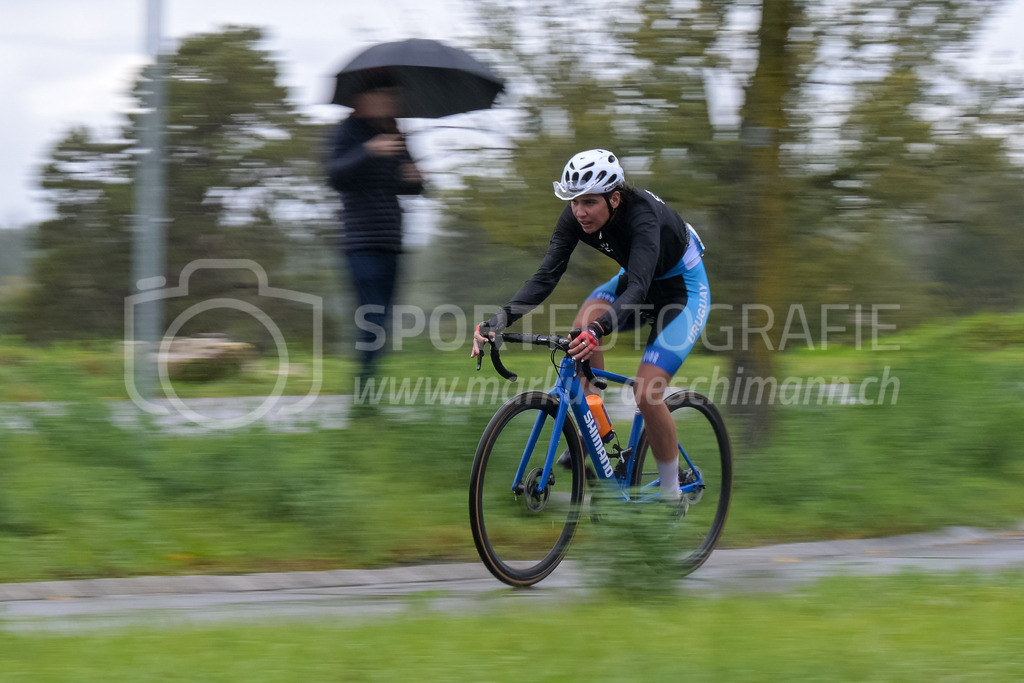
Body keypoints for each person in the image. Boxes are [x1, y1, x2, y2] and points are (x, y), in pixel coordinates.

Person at [471, 149, 709, 504]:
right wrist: (498, 320)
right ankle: (596, 433)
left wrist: (599, 330)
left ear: (614, 198)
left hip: (681, 292)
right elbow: (546, 276)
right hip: (633, 284)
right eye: (574, 202)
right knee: (579, 330)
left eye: (589, 202)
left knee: (646, 391)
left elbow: (640, 287)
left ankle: (672, 493)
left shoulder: (642, 216)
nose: (580, 211)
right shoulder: (575, 217)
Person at [327, 73, 424, 387]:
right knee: (373, 316)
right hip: (360, 240)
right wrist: (369, 150)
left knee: (383, 319)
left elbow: (412, 187)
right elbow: (334, 175)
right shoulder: (348, 132)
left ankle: (367, 385)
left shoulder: (395, 132)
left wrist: (413, 177)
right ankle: (364, 389)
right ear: (363, 99)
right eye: (382, 96)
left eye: (392, 96)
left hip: (391, 239)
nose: (389, 102)